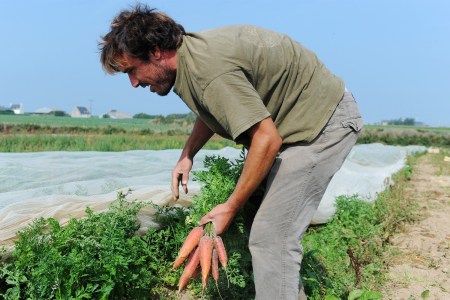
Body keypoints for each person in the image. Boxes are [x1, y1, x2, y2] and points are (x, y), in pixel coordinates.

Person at [99, 4, 363, 299]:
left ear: (156, 51)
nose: (133, 83)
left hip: (321, 127)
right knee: (267, 226)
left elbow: (266, 139)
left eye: (132, 71)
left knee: (271, 237)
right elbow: (214, 107)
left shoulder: (208, 72)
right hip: (299, 124)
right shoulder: (192, 60)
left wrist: (229, 207)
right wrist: (188, 154)